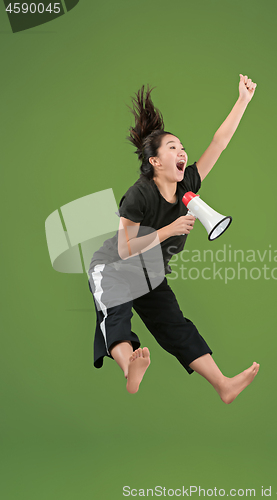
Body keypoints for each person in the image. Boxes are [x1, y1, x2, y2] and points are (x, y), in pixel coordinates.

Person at [88, 74, 259, 404]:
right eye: (172, 148)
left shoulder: (188, 183)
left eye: (182, 147)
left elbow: (219, 142)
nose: (182, 151)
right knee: (116, 314)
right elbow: (124, 248)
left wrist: (242, 101)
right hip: (114, 268)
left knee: (176, 326)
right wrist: (169, 230)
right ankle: (129, 369)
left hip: (150, 272)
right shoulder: (139, 196)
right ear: (155, 162)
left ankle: (223, 384)